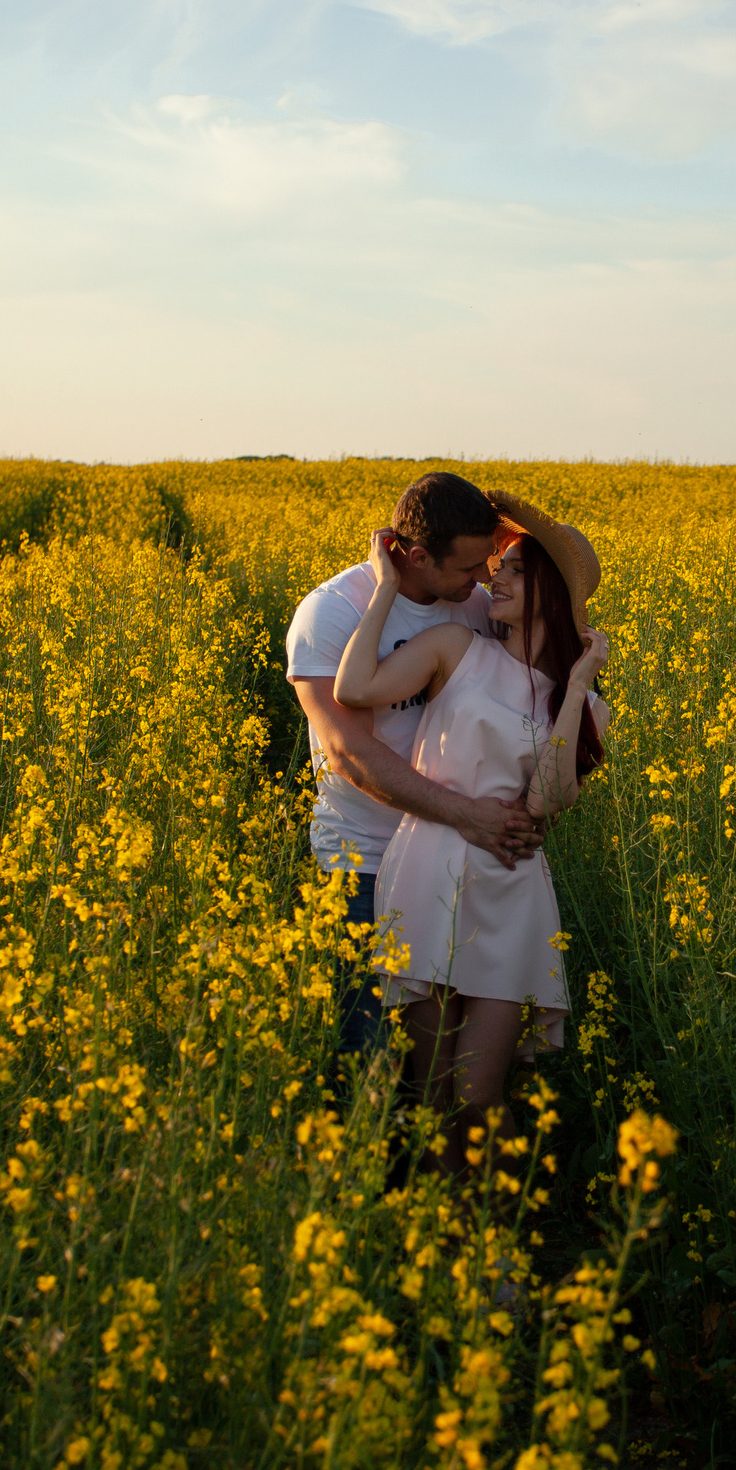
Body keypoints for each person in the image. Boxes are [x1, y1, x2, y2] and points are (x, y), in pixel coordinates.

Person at [332, 489, 609, 1182]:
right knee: (431, 1090)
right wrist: (386, 590)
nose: (495, 576)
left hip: (509, 892)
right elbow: (354, 684)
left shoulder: (583, 704)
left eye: (515, 569)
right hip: (427, 869)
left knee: (479, 1093)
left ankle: (496, 1246)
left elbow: (548, 800)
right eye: (498, 565)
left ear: (546, 587)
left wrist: (574, 688)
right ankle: (450, 1245)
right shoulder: (457, 646)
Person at [284, 473, 543, 1094]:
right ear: (417, 556)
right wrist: (465, 813)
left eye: (490, 565)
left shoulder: (478, 605)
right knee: (368, 1058)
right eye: (468, 567)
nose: (482, 580)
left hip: (458, 863)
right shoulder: (334, 611)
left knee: (441, 1076)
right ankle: (363, 1184)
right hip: (365, 863)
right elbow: (348, 751)